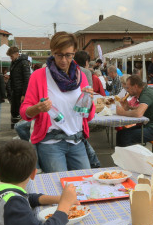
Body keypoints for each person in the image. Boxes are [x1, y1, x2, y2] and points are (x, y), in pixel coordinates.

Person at [20, 32, 97, 173]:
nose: (64, 60)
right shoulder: (39, 76)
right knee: (58, 186)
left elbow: (89, 116)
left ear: (74, 53)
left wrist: (89, 102)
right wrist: (38, 108)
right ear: (52, 52)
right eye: (59, 55)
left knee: (85, 184)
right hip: (51, 144)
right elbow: (24, 112)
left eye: (68, 55)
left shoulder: (81, 76)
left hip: (77, 141)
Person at [115, 74, 153, 147]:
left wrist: (122, 112)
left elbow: (139, 113)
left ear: (135, 86)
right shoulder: (145, 91)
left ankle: (127, 157)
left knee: (124, 136)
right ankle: (126, 155)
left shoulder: (146, 94)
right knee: (121, 133)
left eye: (128, 88)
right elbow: (141, 109)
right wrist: (128, 107)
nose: (127, 90)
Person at [7, 46, 32, 130]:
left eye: (12, 56)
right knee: (15, 111)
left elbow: (27, 79)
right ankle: (17, 128)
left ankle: (21, 130)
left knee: (22, 112)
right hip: (15, 90)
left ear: (17, 54)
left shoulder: (24, 63)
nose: (11, 58)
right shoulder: (14, 63)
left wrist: (24, 94)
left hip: (21, 91)